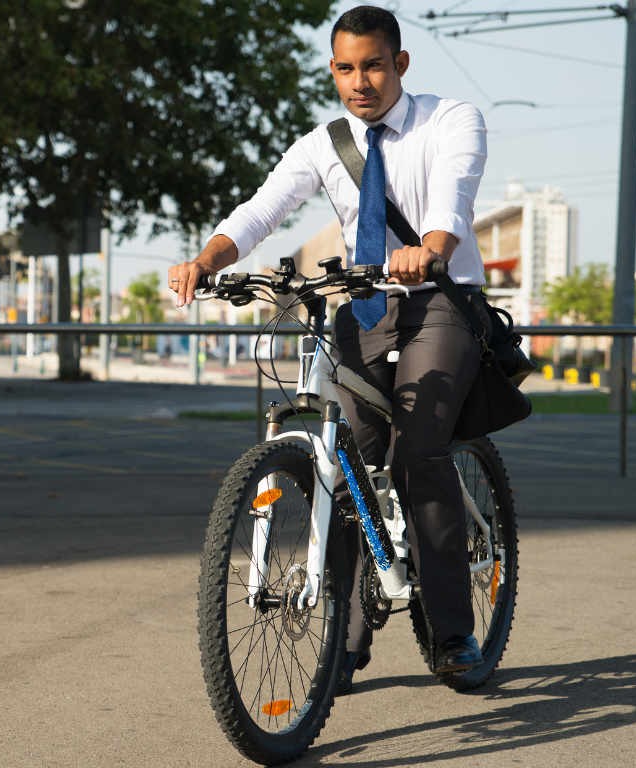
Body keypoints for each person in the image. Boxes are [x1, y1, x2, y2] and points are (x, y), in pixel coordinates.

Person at [169, 5, 490, 695]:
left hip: (439, 300)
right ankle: (345, 639)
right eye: (345, 68)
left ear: (400, 64)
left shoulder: (450, 120)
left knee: (417, 452)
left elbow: (452, 203)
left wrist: (427, 253)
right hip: (365, 305)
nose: (359, 81)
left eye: (373, 65)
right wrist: (208, 259)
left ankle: (454, 632)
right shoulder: (327, 142)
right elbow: (262, 208)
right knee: (343, 465)